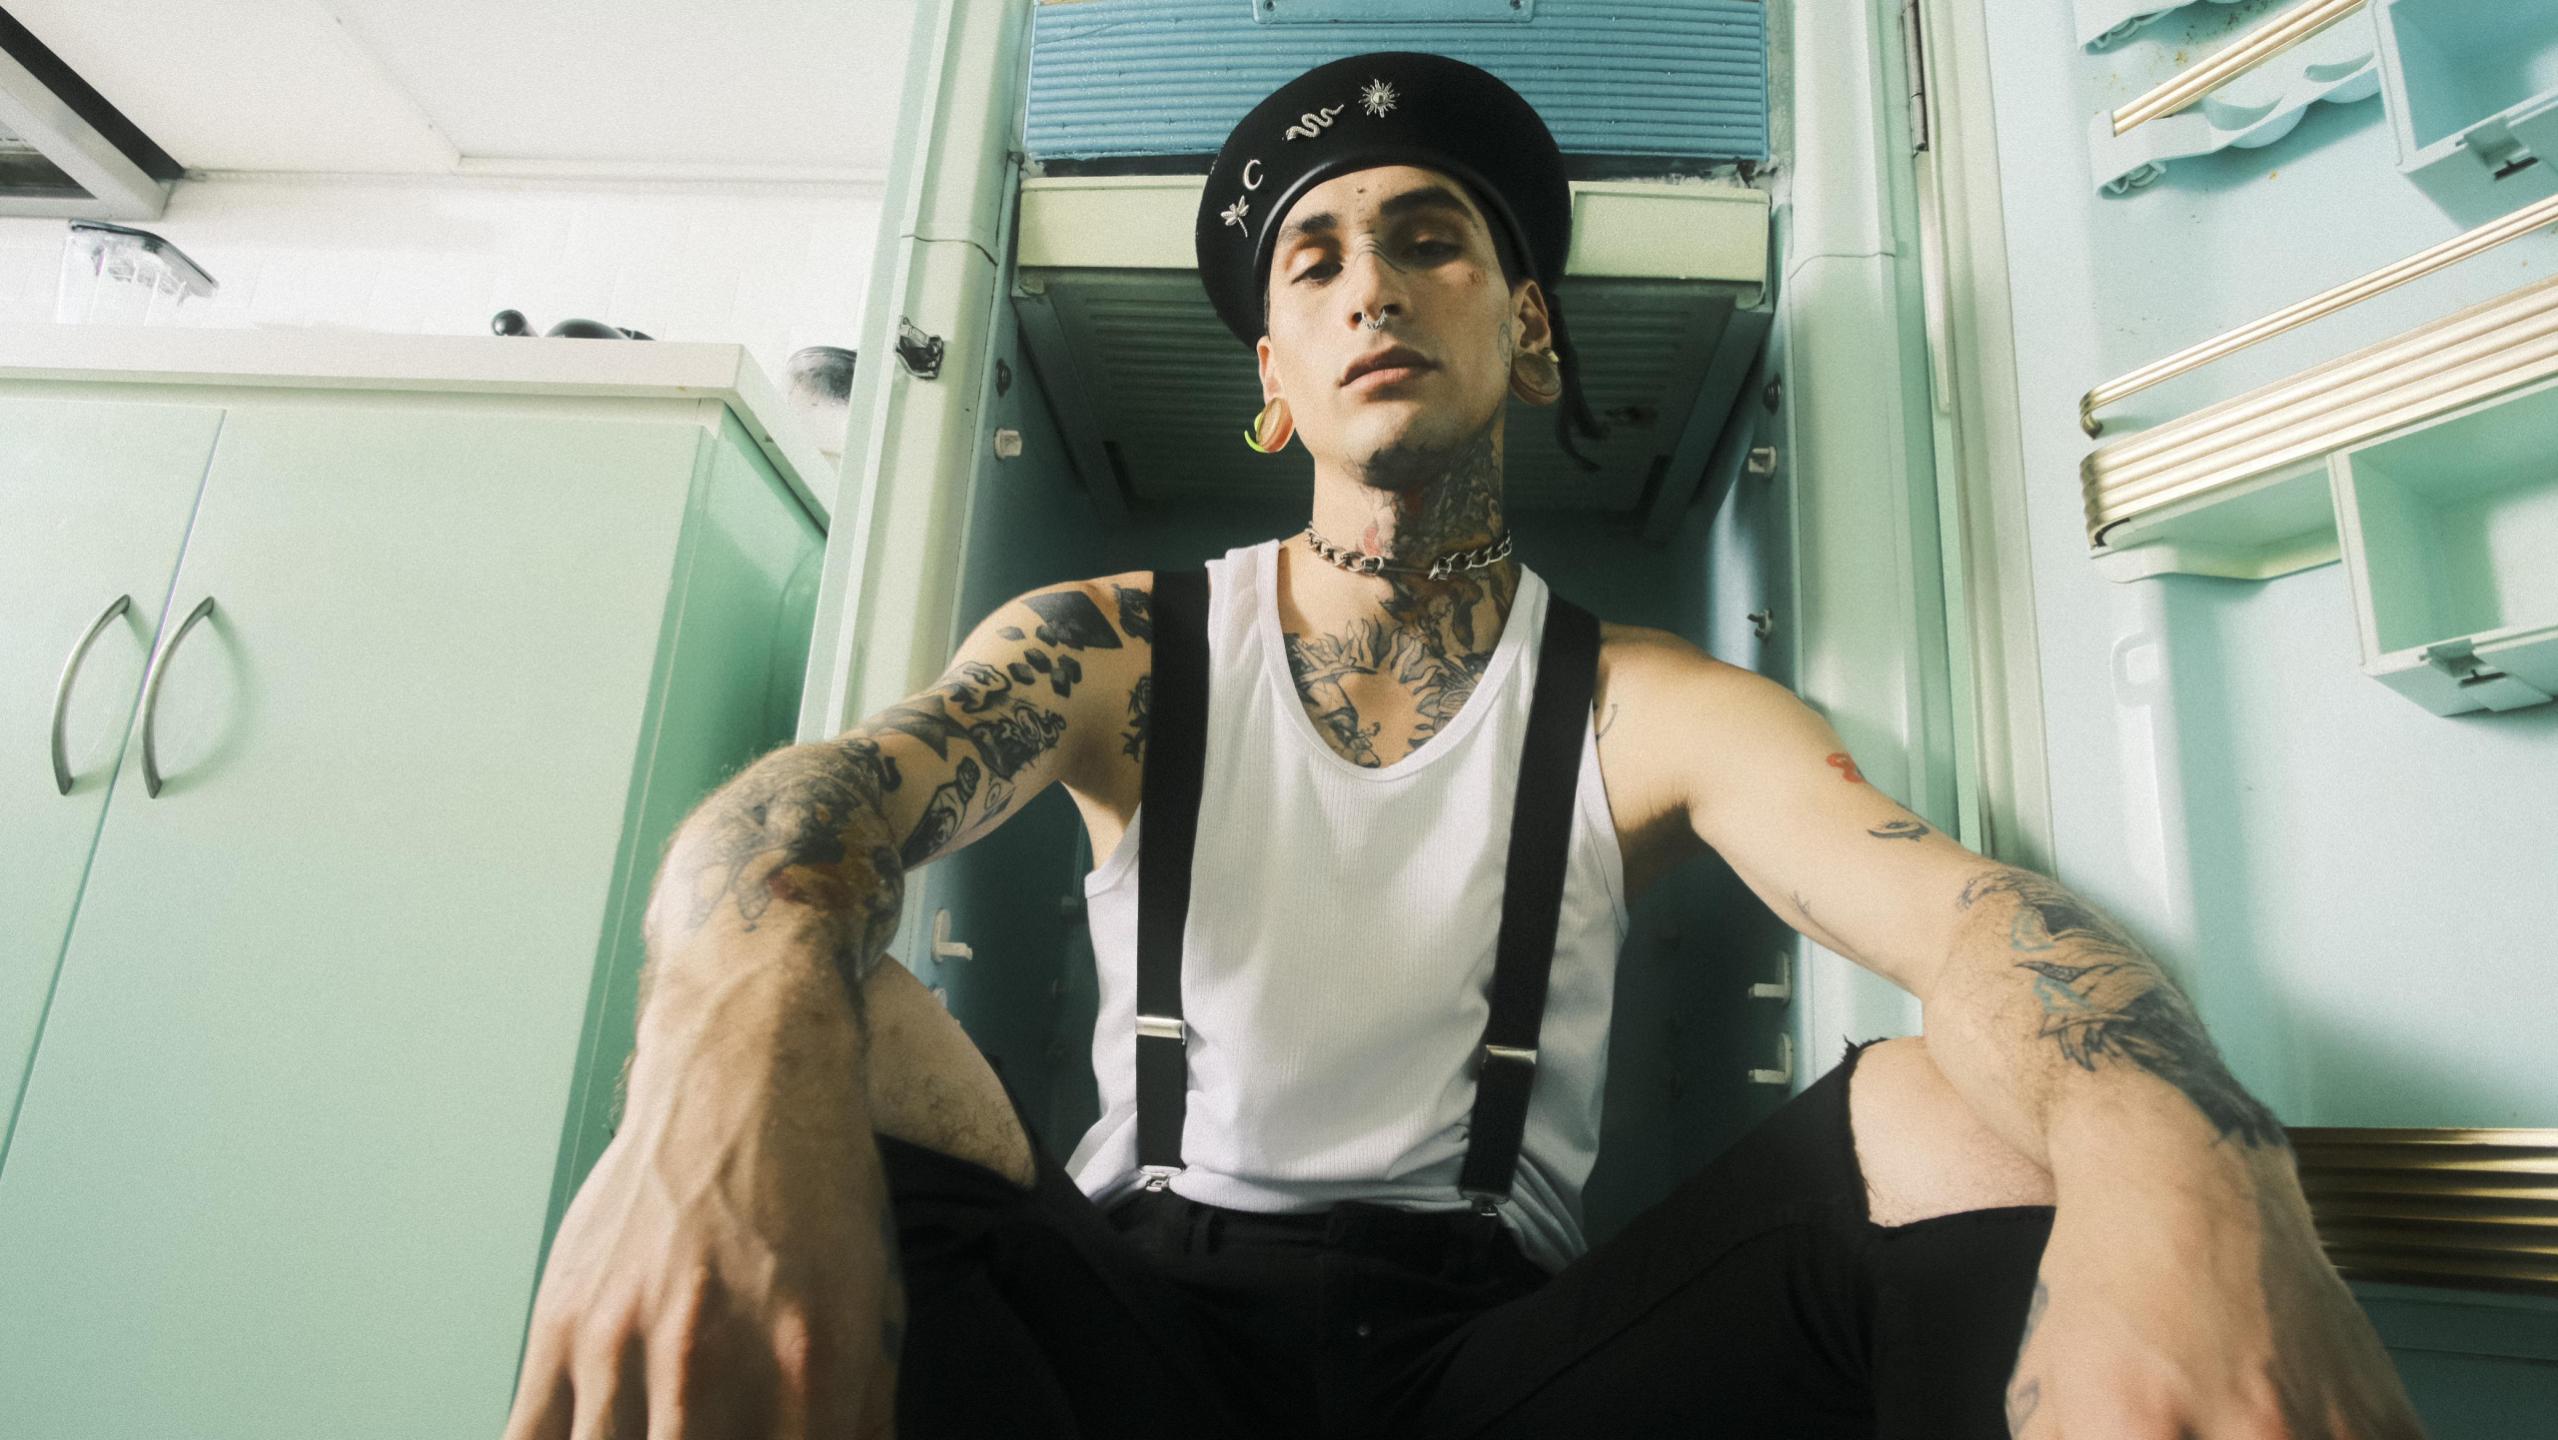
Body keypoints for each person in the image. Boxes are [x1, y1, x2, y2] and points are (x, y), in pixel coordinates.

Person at [502, 52, 2426, 1440]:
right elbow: (817, 820)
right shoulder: (1112, 647)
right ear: (1272, 381)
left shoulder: (1649, 703)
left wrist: (2200, 1186)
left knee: (1963, 1103)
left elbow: (1970, 922)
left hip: (1492, 1364)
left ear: (1530, 327)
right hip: (1125, 1333)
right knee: (800, 1010)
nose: (1369, 282)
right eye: (1314, 261)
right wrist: (697, 1082)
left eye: (1427, 241)